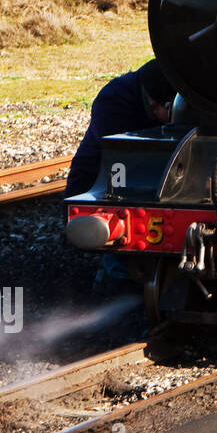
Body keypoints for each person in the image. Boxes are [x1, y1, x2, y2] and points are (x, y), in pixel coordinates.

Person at [66, 60, 176, 292]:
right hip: (105, 177)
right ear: (156, 103)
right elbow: (119, 162)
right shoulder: (114, 100)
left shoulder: (152, 95)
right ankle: (116, 278)